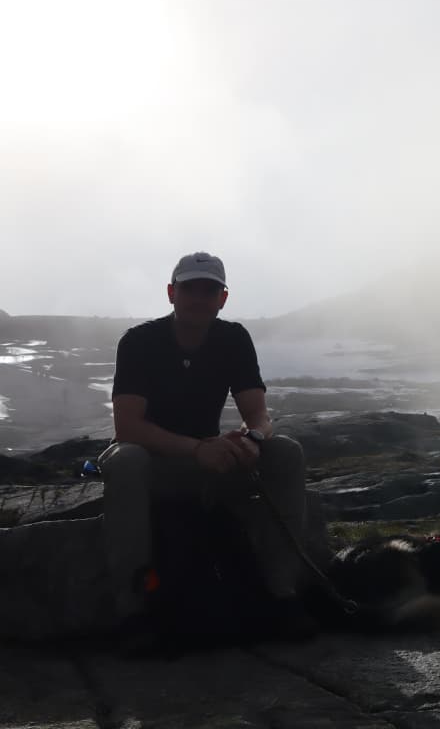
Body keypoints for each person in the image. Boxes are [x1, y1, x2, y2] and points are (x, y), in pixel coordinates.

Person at [99, 251, 307, 625]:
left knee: (285, 452)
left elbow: (257, 413)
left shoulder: (233, 338)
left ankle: (282, 595)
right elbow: (127, 428)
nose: (198, 298)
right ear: (171, 293)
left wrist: (253, 439)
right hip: (155, 462)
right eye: (189, 289)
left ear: (222, 299)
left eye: (209, 291)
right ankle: (132, 612)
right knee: (126, 459)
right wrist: (197, 448)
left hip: (209, 461)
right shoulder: (138, 342)